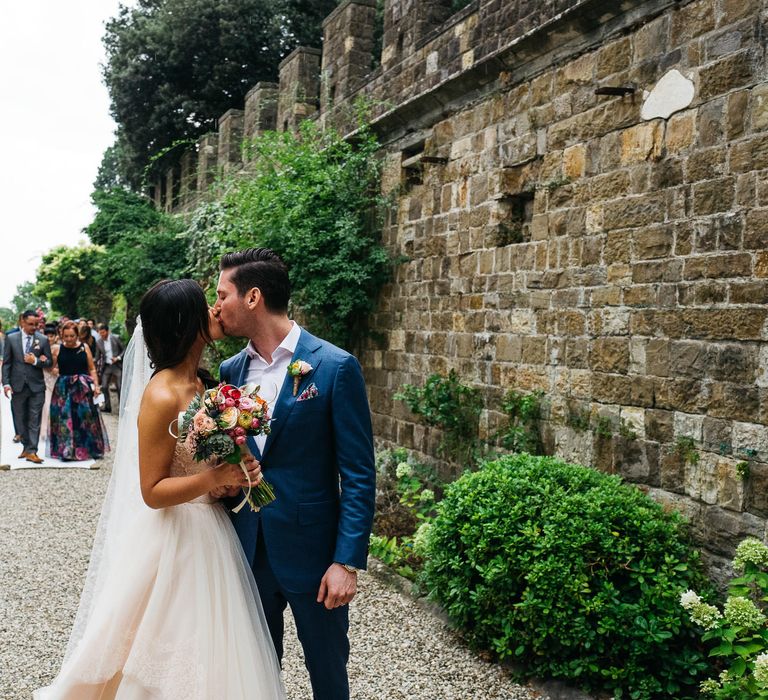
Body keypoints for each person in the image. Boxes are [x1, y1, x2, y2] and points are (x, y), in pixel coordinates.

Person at [35, 279, 286, 699]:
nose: (215, 311)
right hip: (175, 539)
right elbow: (151, 490)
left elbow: (194, 463)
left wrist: (228, 478)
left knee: (218, 652)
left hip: (211, 533)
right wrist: (212, 479)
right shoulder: (162, 393)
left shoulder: (203, 385)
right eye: (205, 307)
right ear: (185, 324)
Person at [214, 247, 376, 700]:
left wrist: (346, 561)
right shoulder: (231, 370)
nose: (216, 305)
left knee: (328, 674)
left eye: (222, 294)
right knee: (256, 677)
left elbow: (359, 473)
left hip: (314, 555)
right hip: (248, 549)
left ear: (253, 298)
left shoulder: (334, 366)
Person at [48, 321, 107, 461]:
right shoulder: (57, 349)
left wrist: (96, 385)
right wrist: (52, 368)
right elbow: (51, 368)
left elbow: (91, 368)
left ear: (77, 335)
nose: (69, 339)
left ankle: (90, 448)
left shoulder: (84, 347)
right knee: (64, 418)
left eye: (72, 336)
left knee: (85, 418)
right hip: (64, 387)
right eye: (66, 336)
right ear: (62, 335)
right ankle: (67, 450)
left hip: (82, 387)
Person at [1, 310, 52, 464]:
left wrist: (36, 361)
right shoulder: (11, 338)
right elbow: (7, 363)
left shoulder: (42, 340)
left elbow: (49, 362)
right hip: (17, 386)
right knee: (19, 419)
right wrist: (6, 383)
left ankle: (32, 451)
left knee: (34, 418)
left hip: (37, 386)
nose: (33, 327)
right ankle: (26, 447)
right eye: (30, 324)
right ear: (22, 322)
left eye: (36, 324)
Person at [38, 323, 60, 449]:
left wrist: (57, 369)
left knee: (56, 405)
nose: (49, 338)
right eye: (47, 335)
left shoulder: (59, 347)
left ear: (55, 337)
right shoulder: (40, 347)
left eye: (52, 336)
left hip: (56, 378)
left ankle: (56, 432)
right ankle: (44, 432)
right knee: (46, 406)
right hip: (44, 378)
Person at [95, 323, 124, 413]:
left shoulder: (116, 338)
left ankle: (122, 408)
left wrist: (118, 358)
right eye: (100, 333)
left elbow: (124, 349)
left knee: (119, 386)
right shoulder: (99, 342)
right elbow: (97, 356)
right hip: (107, 366)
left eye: (103, 332)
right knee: (103, 386)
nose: (102, 334)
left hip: (117, 365)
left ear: (107, 331)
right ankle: (107, 407)